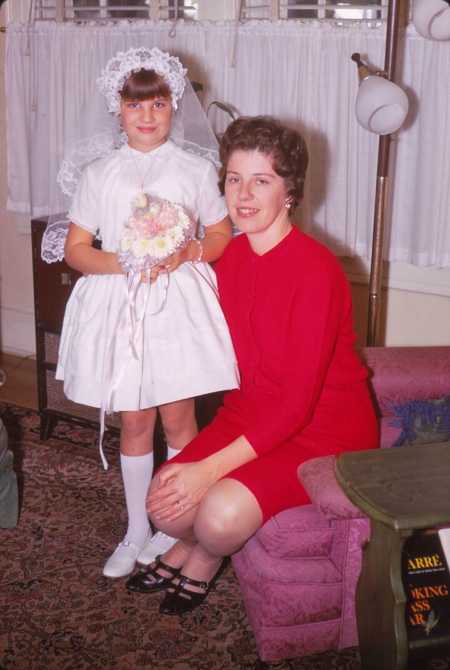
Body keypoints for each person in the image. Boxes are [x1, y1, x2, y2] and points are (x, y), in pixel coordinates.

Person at [126, 115, 379, 614]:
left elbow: (295, 406)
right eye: (234, 179)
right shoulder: (230, 258)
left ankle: (203, 554)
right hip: (250, 415)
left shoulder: (317, 270)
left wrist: (209, 472)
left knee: (215, 516)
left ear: (290, 191)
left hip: (323, 429)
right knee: (163, 500)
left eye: (261, 180)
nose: (243, 194)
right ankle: (189, 541)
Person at [55, 47, 239, 579]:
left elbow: (221, 232)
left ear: (174, 106)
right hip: (121, 299)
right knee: (135, 418)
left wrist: (186, 252)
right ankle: (137, 525)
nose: (147, 116)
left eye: (158, 104)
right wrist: (126, 260)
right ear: (118, 108)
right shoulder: (100, 173)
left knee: (179, 415)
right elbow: (76, 248)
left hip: (176, 303)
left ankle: (175, 522)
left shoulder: (195, 169)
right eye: (135, 106)